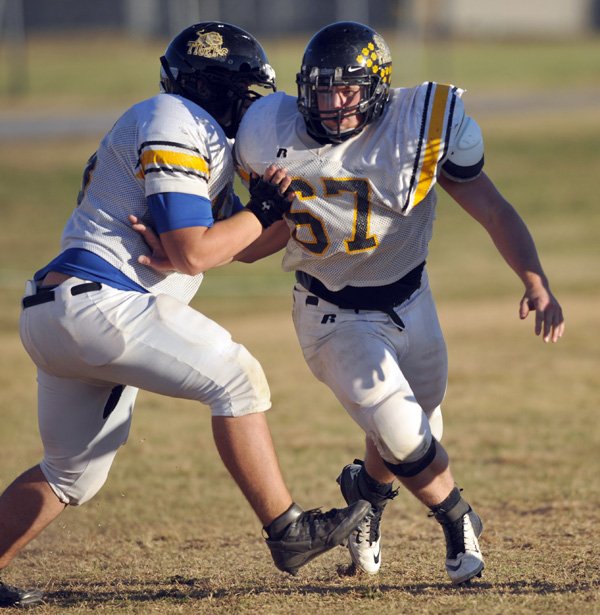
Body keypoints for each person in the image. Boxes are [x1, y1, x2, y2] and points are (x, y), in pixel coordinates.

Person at [0, 22, 370, 609]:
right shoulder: (177, 119)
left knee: (71, 474)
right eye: (248, 95)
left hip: (65, 309)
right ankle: (288, 531)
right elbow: (194, 252)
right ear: (222, 89)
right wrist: (258, 210)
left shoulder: (183, 129)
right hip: (101, 303)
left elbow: (237, 244)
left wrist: (296, 210)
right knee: (237, 375)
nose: (252, 109)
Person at [230, 21, 565, 584]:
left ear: (378, 90)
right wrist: (267, 211)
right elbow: (247, 252)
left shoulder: (419, 126)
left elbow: (492, 207)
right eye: (321, 90)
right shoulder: (268, 130)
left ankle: (366, 497)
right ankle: (459, 520)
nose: (333, 105)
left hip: (413, 300)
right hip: (330, 311)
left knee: (415, 420)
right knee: (407, 431)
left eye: (348, 91)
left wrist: (535, 278)